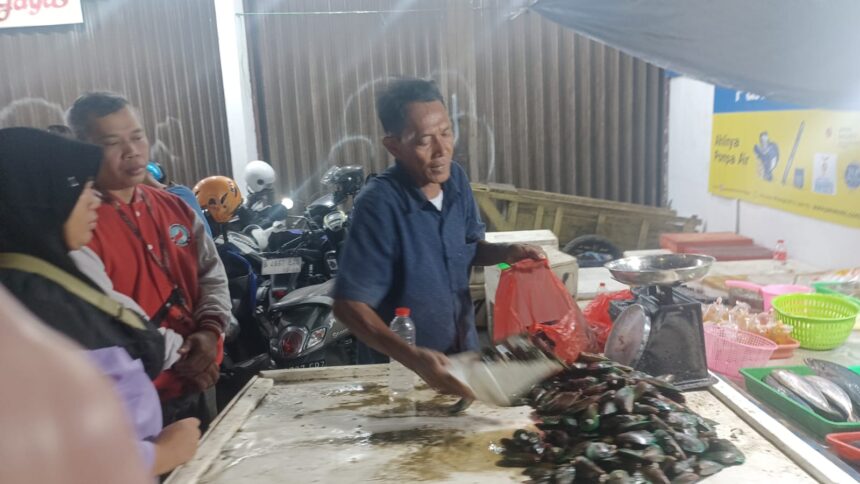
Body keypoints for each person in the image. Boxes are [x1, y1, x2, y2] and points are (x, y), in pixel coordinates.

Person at [0, 127, 201, 476]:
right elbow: (55, 455)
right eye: (81, 189)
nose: (94, 200)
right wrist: (164, 453)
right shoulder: (33, 308)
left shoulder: (48, 283)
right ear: (40, 199)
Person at [332, 78, 543, 398]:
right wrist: (413, 359)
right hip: (404, 377)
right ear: (394, 146)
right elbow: (349, 306)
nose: (441, 150)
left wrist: (507, 252)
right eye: (423, 140)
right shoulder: (379, 204)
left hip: (465, 361)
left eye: (446, 133)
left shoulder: (456, 179)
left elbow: (468, 249)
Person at [67, 92, 231, 426]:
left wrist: (211, 331)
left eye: (138, 136)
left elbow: (212, 275)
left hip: (199, 379)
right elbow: (108, 315)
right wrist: (188, 354)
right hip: (132, 403)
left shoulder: (175, 207)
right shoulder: (79, 224)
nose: (132, 151)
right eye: (112, 142)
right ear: (81, 148)